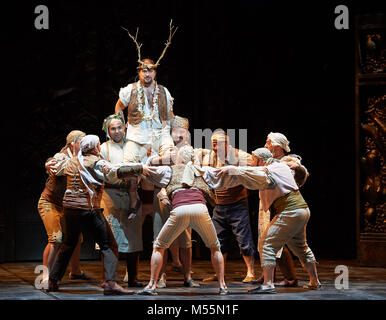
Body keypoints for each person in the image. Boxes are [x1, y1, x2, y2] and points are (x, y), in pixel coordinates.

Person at [116, 145, 230, 296]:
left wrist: (120, 169)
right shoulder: (203, 170)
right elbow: (225, 174)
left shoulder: (169, 170)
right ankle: (223, 286)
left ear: (178, 158)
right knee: (215, 247)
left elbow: (146, 168)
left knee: (159, 246)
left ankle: (151, 285)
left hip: (180, 209)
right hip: (200, 208)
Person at [47, 135, 147, 295]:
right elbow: (117, 171)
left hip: (70, 209)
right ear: (94, 148)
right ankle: (110, 283)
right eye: (99, 144)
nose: (100, 147)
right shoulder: (96, 162)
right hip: (88, 209)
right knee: (109, 245)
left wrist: (49, 162)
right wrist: (141, 168)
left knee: (69, 244)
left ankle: (53, 280)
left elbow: (54, 167)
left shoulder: (72, 161)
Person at [217, 148, 320, 294]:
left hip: (290, 211)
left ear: (261, 160)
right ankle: (314, 281)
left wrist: (233, 168)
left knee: (267, 244)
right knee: (300, 247)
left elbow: (254, 173)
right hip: (302, 210)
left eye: (253, 160)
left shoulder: (271, 168)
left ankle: (268, 284)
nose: (252, 163)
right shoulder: (280, 166)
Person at [146, 115, 206, 288]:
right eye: (177, 132)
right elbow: (149, 164)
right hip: (162, 197)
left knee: (186, 240)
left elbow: (198, 171)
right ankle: (161, 277)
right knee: (160, 237)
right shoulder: (163, 147)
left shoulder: (191, 151)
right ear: (171, 133)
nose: (180, 135)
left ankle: (187, 276)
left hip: (183, 196)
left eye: (183, 132)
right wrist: (164, 158)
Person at [202, 129, 257, 283]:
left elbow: (256, 162)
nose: (215, 148)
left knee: (243, 238)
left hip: (237, 204)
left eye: (217, 145)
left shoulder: (239, 155)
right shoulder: (209, 157)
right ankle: (220, 273)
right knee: (218, 240)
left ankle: (251, 272)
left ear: (226, 144)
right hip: (219, 206)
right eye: (213, 145)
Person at [38, 130, 92, 285]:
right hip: (50, 203)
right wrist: (48, 164)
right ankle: (45, 276)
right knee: (56, 238)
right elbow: (53, 162)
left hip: (68, 205)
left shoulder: (84, 156)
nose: (84, 145)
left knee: (76, 238)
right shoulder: (62, 156)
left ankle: (75, 271)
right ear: (71, 144)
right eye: (80, 142)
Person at [256, 132, 309, 287]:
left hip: (285, 206)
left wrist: (299, 167)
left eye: (268, 143)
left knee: (277, 243)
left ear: (277, 146)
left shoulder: (288, 160)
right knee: (266, 240)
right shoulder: (269, 160)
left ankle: (290, 278)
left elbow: (303, 173)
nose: (265, 145)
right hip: (270, 205)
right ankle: (267, 274)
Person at [99, 114, 143, 287]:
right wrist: (123, 174)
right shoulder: (104, 148)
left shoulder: (134, 147)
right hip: (111, 195)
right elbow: (102, 170)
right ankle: (109, 278)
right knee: (110, 238)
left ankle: (133, 278)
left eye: (119, 127)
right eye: (113, 128)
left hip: (132, 194)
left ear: (125, 128)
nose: (117, 131)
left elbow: (143, 166)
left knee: (134, 238)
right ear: (108, 131)